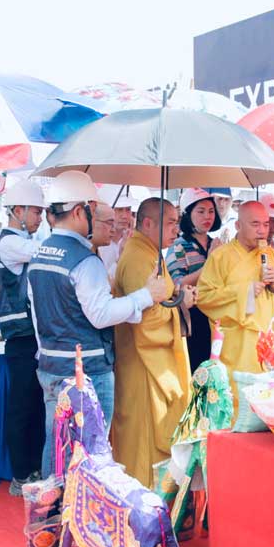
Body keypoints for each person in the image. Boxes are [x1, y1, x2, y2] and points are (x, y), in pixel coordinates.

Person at [27, 171, 170, 477]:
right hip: (86, 370)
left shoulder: (40, 254)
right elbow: (101, 315)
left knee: (56, 446)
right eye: (95, 211)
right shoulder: (84, 259)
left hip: (51, 365)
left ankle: (51, 512)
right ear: (79, 211)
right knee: (90, 450)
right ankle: (81, 515)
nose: (105, 221)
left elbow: (39, 315)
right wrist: (147, 295)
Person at [112, 198, 195, 487]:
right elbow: (146, 320)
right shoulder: (138, 257)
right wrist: (179, 305)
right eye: (171, 222)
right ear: (148, 223)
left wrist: (178, 300)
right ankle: (142, 504)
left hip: (154, 362)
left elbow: (162, 301)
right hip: (143, 364)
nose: (177, 229)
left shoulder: (152, 253)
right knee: (143, 439)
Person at [196, 201, 274, 402]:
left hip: (268, 343)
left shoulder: (273, 257)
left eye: (266, 225)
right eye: (255, 224)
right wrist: (245, 292)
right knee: (237, 402)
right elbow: (204, 297)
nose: (262, 231)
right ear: (238, 226)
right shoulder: (221, 257)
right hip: (237, 344)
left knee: (269, 402)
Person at [0, 180, 48, 494]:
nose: (40, 217)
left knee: (34, 405)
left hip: (33, 335)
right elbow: (41, 252)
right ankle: (20, 473)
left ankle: (32, 468)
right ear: (18, 211)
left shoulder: (22, 238)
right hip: (20, 336)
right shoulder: (8, 242)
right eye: (37, 211)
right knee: (22, 406)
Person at [168, 188, 219, 370]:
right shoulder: (178, 246)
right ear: (188, 215)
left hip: (216, 315)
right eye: (201, 211)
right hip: (193, 318)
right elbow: (176, 284)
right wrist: (209, 264)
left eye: (211, 211)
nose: (207, 216)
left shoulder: (217, 243)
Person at [91, 202, 119, 280]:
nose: (113, 230)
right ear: (92, 221)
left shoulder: (95, 251)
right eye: (109, 223)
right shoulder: (85, 259)